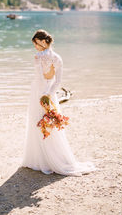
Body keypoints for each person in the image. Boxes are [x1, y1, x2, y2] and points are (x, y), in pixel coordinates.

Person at [21, 29, 97, 176]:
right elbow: (58, 81)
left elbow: (39, 77)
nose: (35, 47)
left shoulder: (38, 57)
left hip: (38, 92)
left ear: (44, 42)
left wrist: (43, 94)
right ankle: (53, 158)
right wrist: (48, 94)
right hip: (50, 94)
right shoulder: (58, 58)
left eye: (36, 44)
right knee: (51, 124)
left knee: (37, 123)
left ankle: (38, 160)